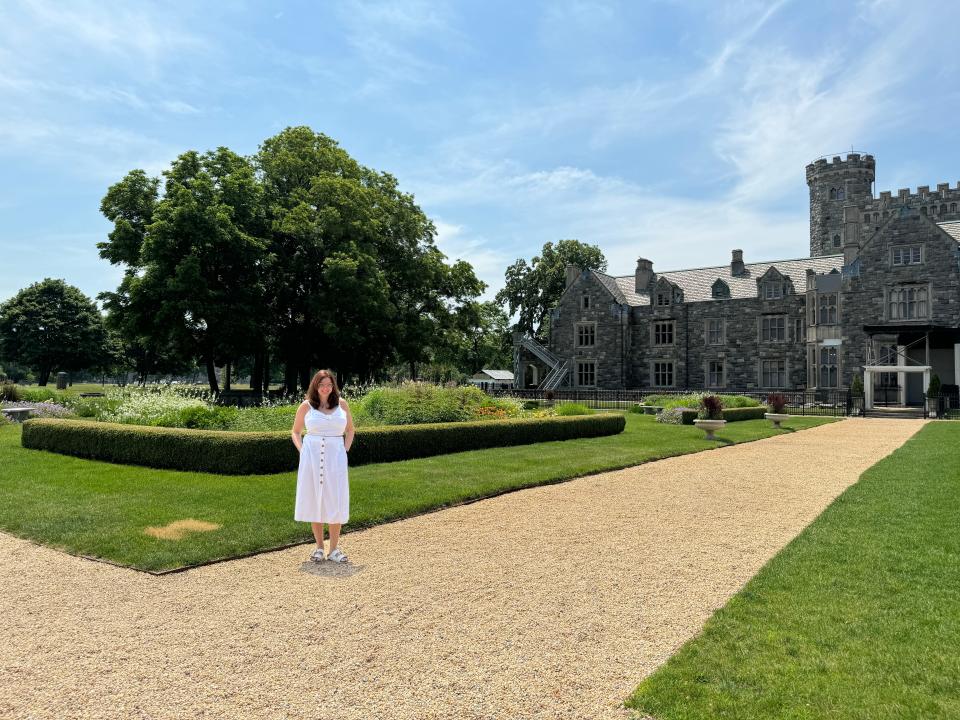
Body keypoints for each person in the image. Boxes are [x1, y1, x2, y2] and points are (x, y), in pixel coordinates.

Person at [291, 370, 355, 563]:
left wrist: (344, 450)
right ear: (315, 386)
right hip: (312, 456)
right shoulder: (306, 406)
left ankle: (334, 548)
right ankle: (319, 547)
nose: (326, 388)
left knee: (335, 498)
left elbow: (351, 430)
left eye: (329, 384)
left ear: (333, 385)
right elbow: (295, 431)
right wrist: (302, 450)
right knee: (314, 498)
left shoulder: (342, 404)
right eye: (322, 385)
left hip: (335, 457)